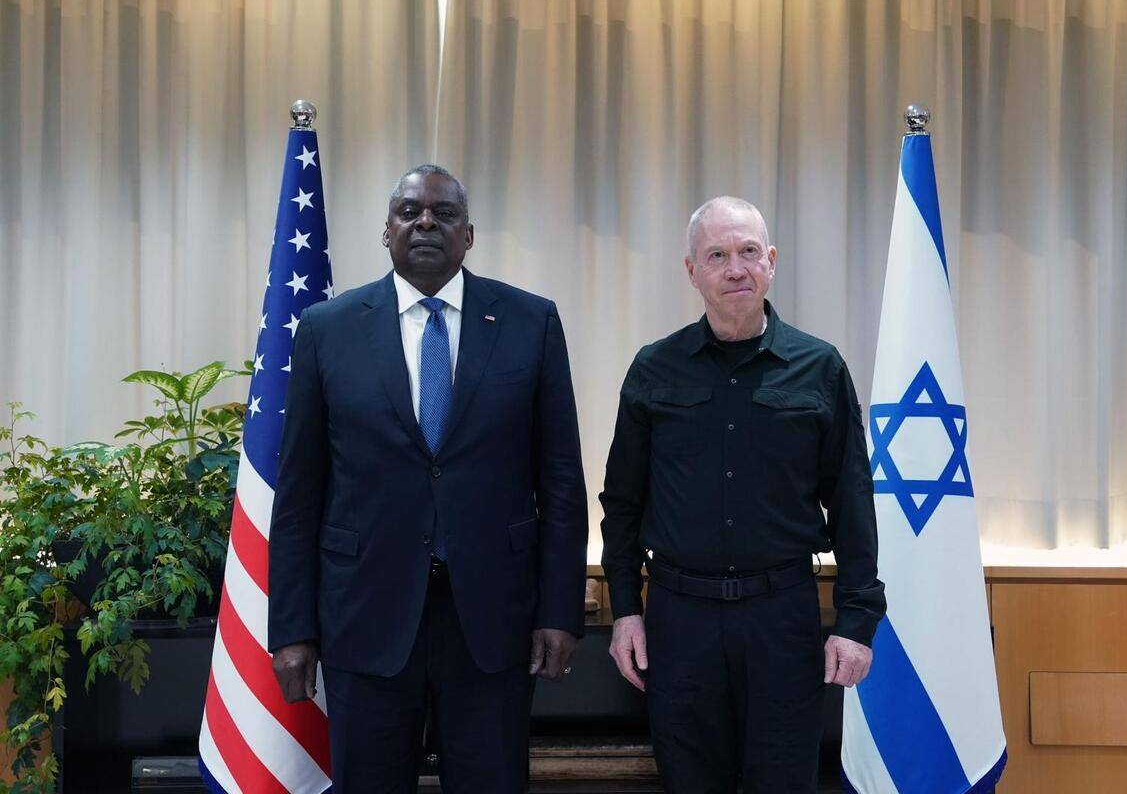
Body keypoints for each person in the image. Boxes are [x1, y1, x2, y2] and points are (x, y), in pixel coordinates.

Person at [268, 164, 588, 793]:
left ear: (469, 235)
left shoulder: (531, 322)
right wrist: (293, 629)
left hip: (493, 622)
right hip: (365, 616)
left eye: (443, 214)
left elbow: (559, 481)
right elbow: (300, 493)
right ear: (385, 232)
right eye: (409, 212)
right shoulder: (327, 330)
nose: (425, 223)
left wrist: (560, 611)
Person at [600, 196, 886, 793]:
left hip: (781, 615)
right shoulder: (655, 369)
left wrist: (857, 620)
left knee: (783, 781)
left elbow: (854, 500)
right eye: (718, 255)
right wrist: (627, 608)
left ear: (772, 261)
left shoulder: (819, 368)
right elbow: (622, 504)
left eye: (749, 252)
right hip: (680, 619)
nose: (736, 268)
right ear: (692, 271)